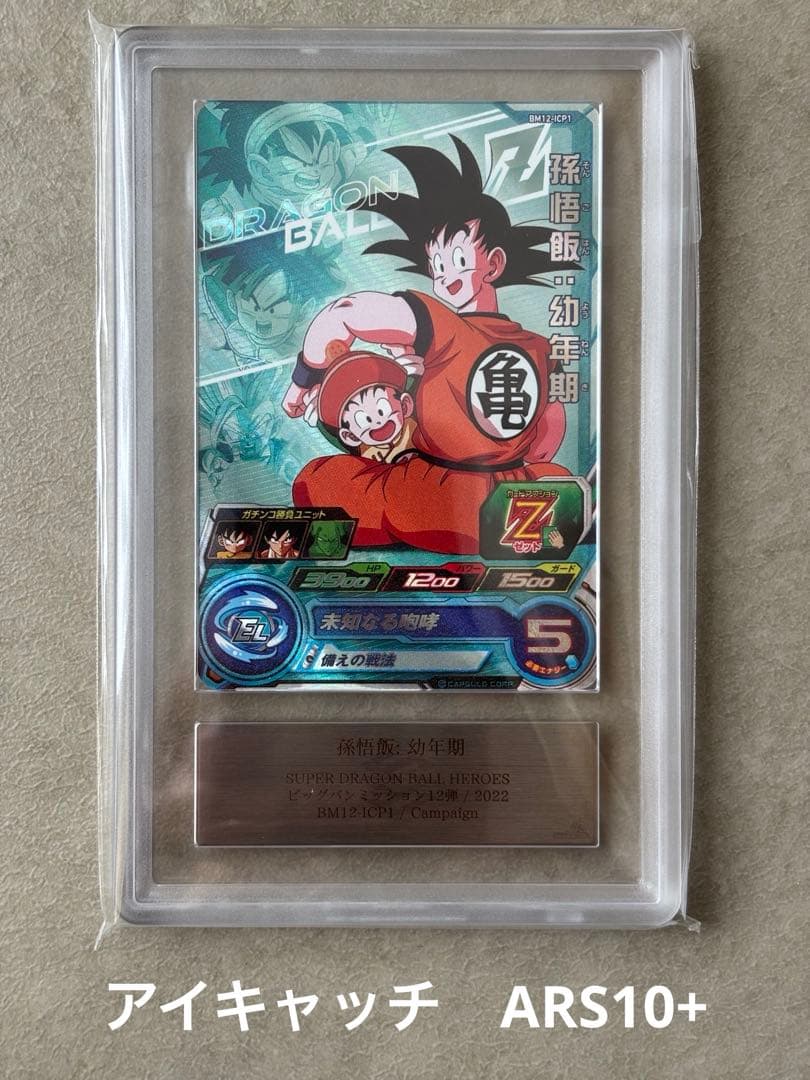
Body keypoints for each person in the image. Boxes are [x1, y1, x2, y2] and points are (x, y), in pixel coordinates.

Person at [283, 136, 580, 554]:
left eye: (458, 261)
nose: (446, 277)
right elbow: (548, 432)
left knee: (320, 479)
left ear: (494, 263)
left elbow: (343, 313)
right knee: (551, 476)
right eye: (438, 266)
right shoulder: (537, 346)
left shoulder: (443, 326)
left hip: (442, 498)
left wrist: (300, 386)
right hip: (510, 492)